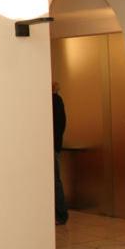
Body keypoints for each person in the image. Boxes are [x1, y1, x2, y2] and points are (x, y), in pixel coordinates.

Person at [52, 82, 69, 225]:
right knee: (54, 180)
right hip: (53, 146)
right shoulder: (57, 101)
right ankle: (59, 214)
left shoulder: (54, 101)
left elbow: (58, 125)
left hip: (51, 147)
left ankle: (61, 214)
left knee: (54, 180)